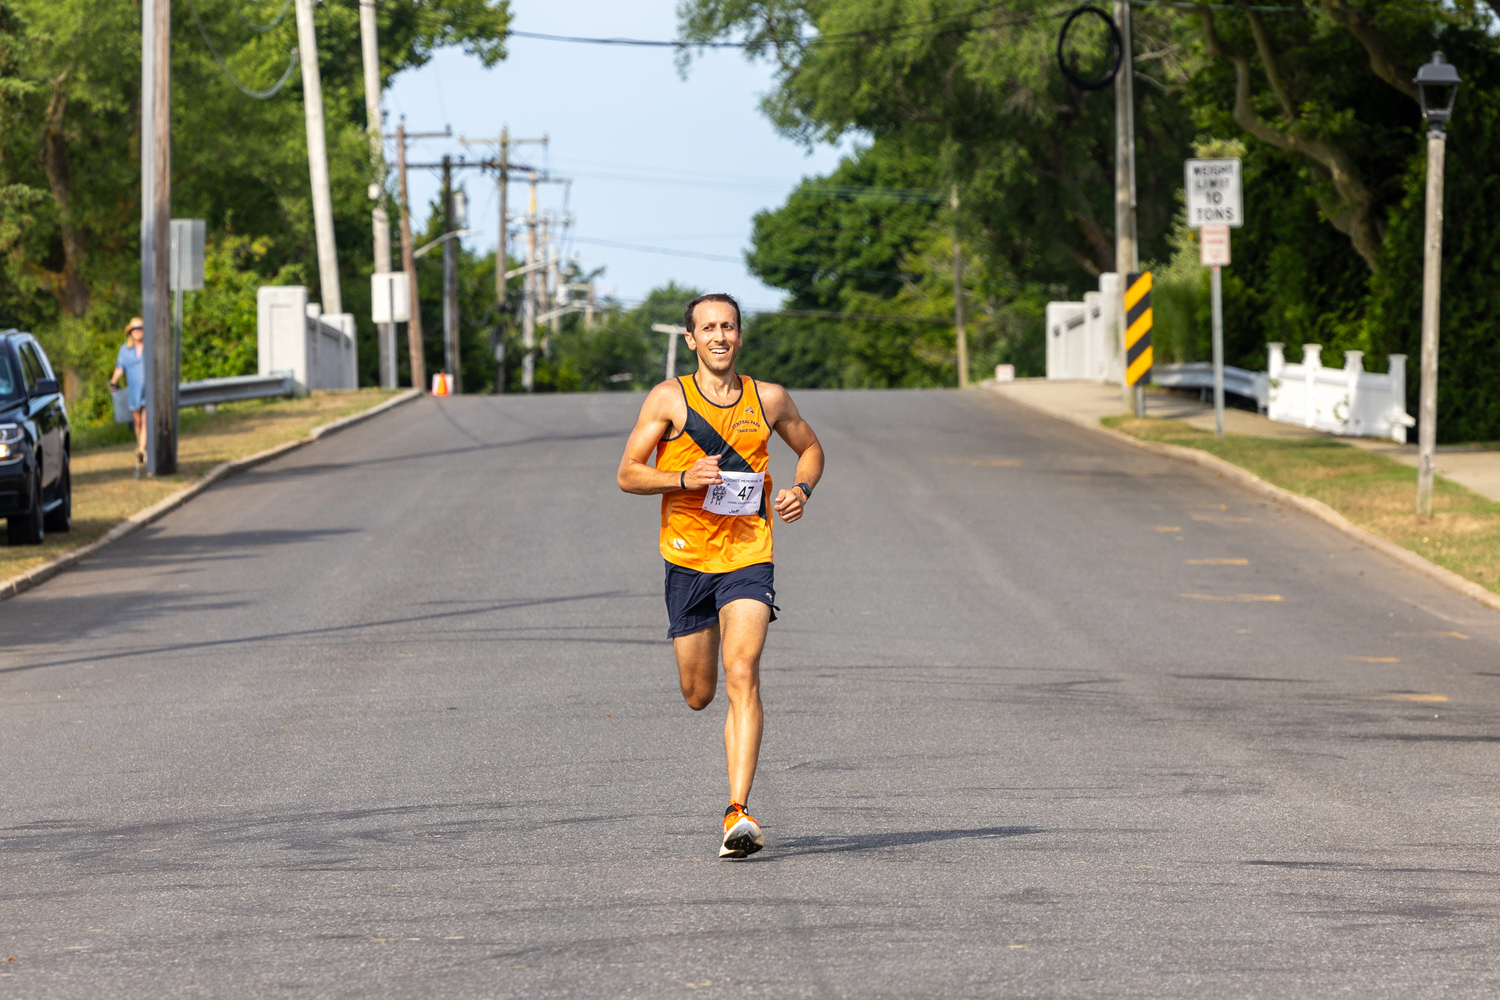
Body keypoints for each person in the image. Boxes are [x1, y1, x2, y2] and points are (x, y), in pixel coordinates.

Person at [617, 293, 825, 859]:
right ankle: (732, 788)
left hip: (748, 553)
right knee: (698, 693)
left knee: (743, 669)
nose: (718, 336)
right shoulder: (669, 399)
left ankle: (738, 810)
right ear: (690, 339)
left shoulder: (770, 398)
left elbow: (810, 448)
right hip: (687, 558)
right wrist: (684, 476)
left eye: (727, 326)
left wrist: (800, 489)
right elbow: (628, 475)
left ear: (739, 335)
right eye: (707, 327)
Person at [109, 318, 148, 466]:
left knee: (145, 419)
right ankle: (140, 446)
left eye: (140, 329)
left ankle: (142, 448)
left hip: (148, 390)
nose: (137, 332)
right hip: (134, 391)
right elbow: (120, 368)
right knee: (137, 421)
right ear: (130, 333)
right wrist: (113, 382)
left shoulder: (149, 347)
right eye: (134, 330)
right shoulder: (125, 350)